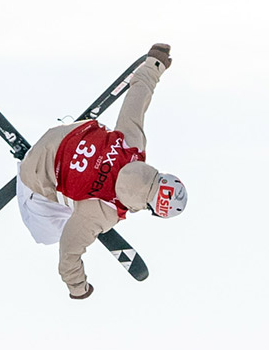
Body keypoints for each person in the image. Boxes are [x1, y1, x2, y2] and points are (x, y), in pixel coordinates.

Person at [16, 43, 187, 300]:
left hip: (62, 135)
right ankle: (24, 169)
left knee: (100, 144)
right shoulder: (103, 211)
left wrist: (155, 63)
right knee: (48, 235)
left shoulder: (133, 145)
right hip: (35, 171)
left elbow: (137, 98)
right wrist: (78, 288)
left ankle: (70, 147)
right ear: (150, 207)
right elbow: (68, 253)